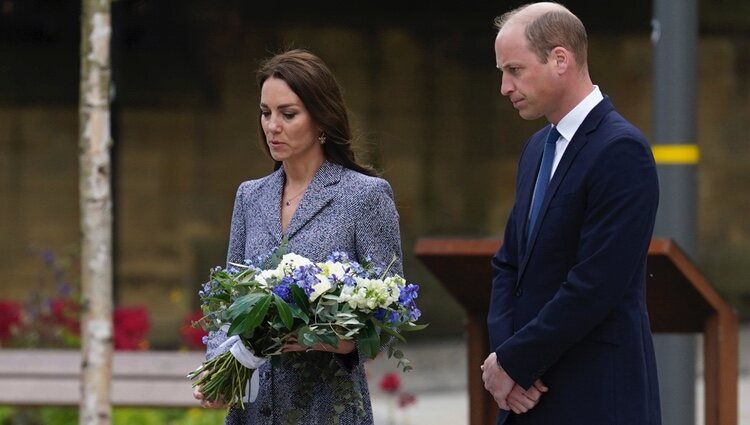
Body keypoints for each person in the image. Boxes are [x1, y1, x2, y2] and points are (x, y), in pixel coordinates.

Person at [192, 48, 403, 425]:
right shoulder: (250, 196)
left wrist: (332, 339)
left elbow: (389, 314)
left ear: (321, 119)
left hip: (327, 408)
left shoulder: (366, 196)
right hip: (252, 410)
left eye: (288, 115)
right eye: (265, 112)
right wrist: (217, 369)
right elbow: (229, 305)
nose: (272, 126)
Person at [481, 3, 661, 424]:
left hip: (595, 394)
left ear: (560, 59)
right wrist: (504, 360)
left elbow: (596, 284)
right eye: (502, 73)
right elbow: (509, 265)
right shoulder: (535, 149)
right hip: (525, 397)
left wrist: (514, 362)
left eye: (515, 70)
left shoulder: (621, 150)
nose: (505, 87)